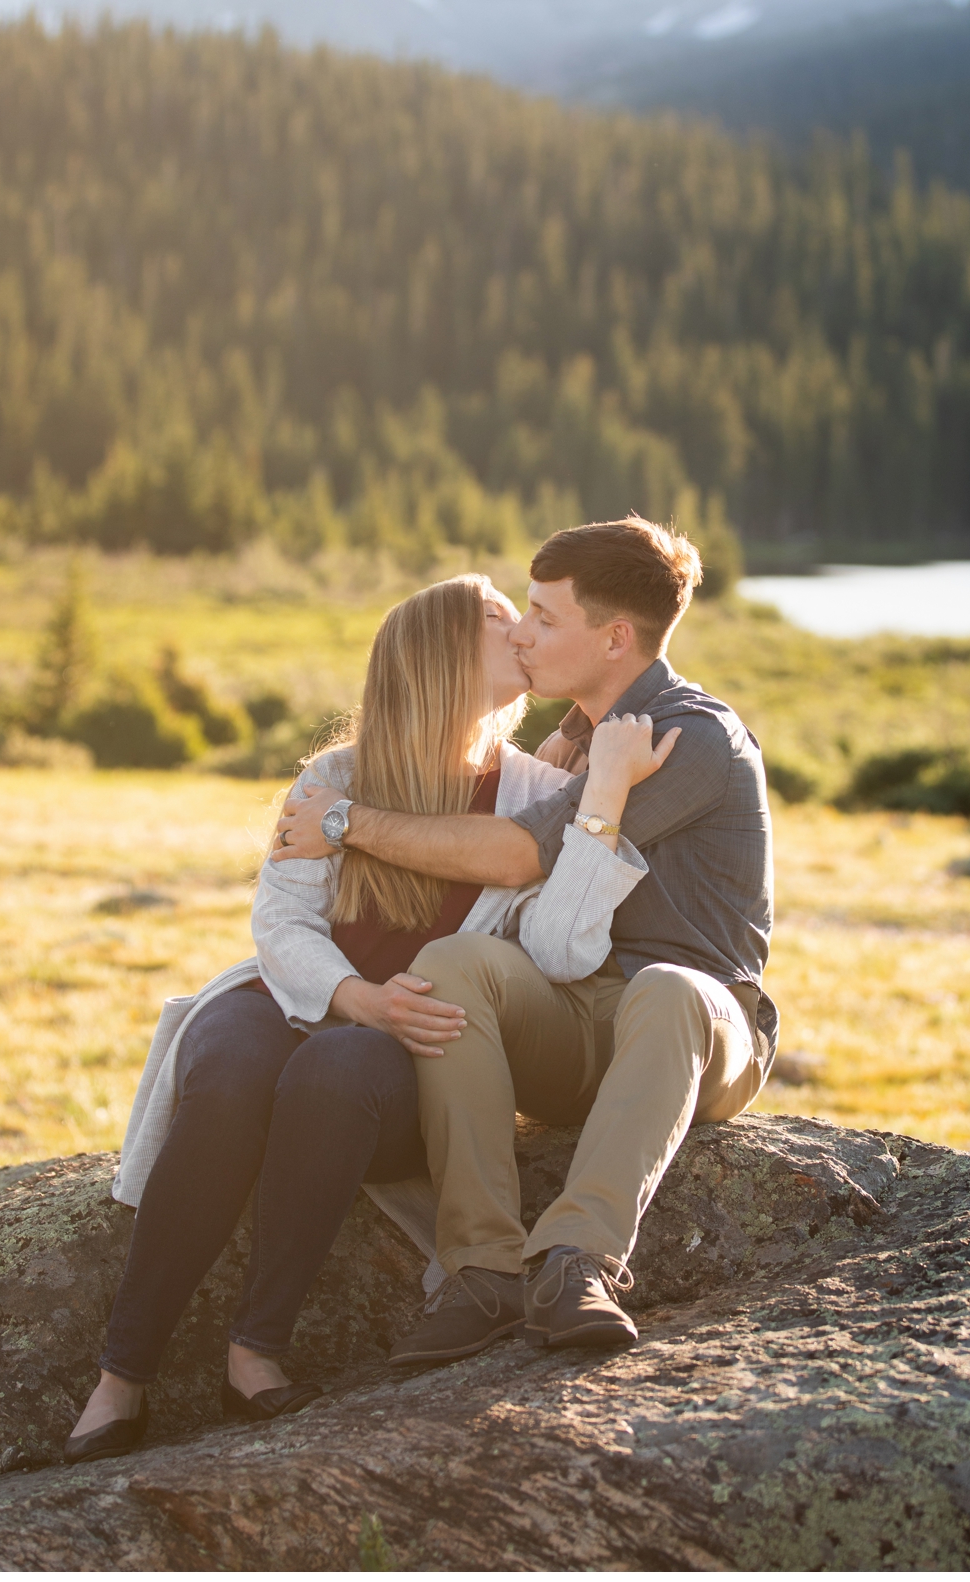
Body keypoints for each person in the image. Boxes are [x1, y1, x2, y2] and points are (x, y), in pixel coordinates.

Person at [67, 575, 667, 1463]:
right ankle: (121, 1376)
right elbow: (281, 924)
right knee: (229, 1070)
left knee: (332, 1072)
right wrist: (357, 998)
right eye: (503, 618)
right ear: (440, 658)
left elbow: (558, 950)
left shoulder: (539, 789)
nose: (526, 633)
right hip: (299, 999)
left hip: (408, 1049)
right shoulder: (335, 776)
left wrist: (599, 806)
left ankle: (253, 1353)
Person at [274, 515, 777, 1365]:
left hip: (698, 1031)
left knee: (667, 986)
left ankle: (578, 1260)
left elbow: (513, 857)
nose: (522, 633)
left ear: (616, 638)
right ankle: (482, 1270)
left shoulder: (686, 737)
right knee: (452, 966)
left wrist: (344, 821)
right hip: (581, 1018)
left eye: (545, 617)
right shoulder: (576, 740)